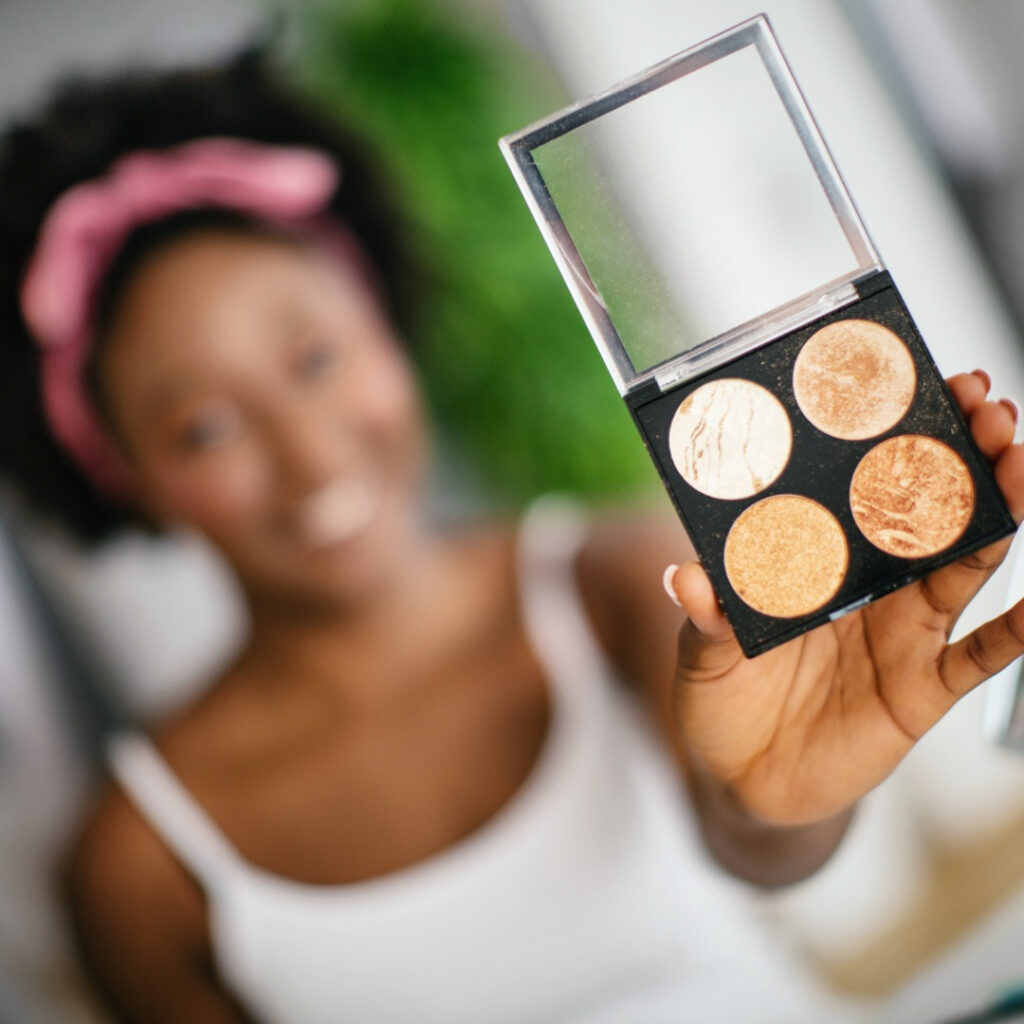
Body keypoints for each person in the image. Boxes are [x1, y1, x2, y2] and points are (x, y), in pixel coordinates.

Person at [1, 48, 1022, 1024]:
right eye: (205, 427)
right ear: (119, 474)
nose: (309, 455)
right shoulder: (136, 868)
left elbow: (760, 838)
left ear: (384, 322)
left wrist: (773, 804)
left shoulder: (627, 582)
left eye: (314, 357)